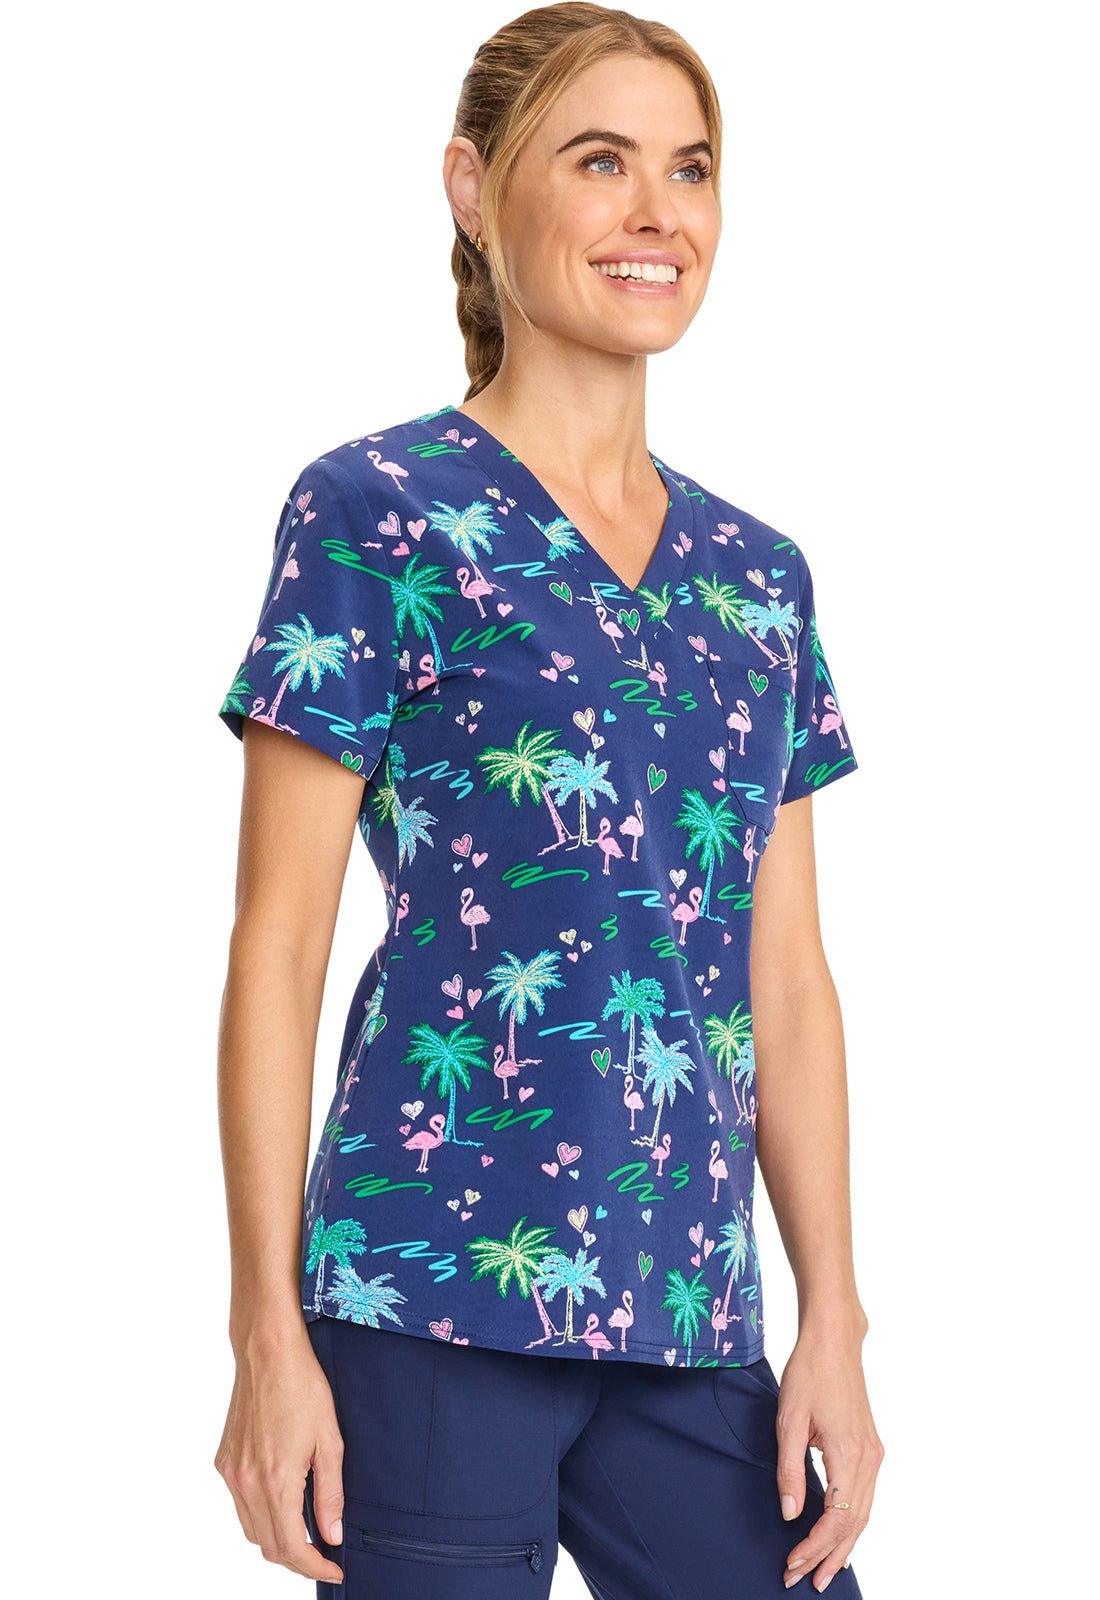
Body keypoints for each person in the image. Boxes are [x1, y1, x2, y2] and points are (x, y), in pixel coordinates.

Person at [212, 6, 884, 1596]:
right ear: (472, 186)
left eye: (690, 170)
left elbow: (785, 979)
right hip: (425, 1306)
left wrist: (834, 1320)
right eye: (601, 162)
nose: (658, 213)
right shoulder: (374, 511)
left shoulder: (757, 579)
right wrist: (264, 1337)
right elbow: (277, 947)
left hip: (692, 1316)